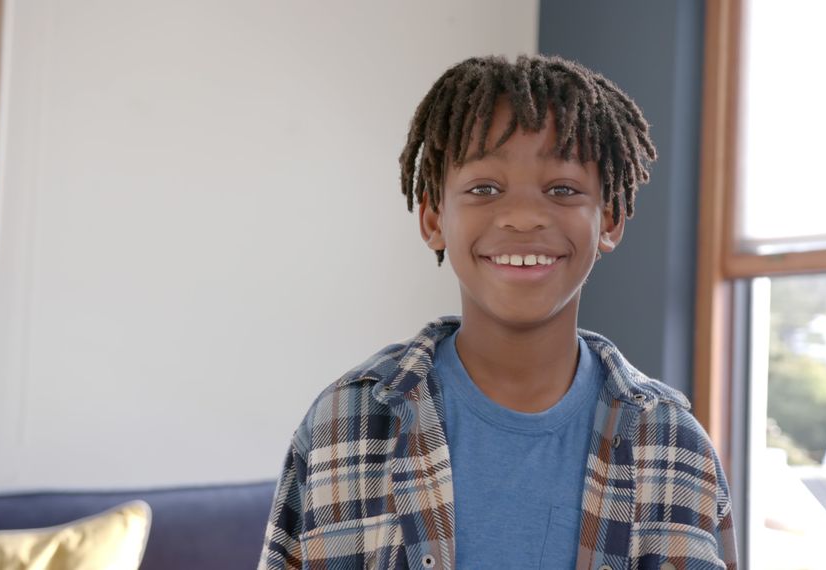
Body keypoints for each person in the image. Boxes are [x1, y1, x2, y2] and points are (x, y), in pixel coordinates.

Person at [258, 54, 737, 570]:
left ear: (611, 219)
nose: (524, 216)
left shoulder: (673, 444)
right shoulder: (343, 425)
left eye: (563, 190)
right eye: (485, 189)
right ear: (434, 218)